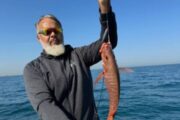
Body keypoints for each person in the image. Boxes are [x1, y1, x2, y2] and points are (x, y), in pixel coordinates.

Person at [23, 0, 117, 120]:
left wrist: (105, 8)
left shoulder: (80, 55)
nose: (53, 34)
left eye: (56, 30)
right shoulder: (32, 69)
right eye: (47, 32)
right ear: (38, 38)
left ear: (62, 33)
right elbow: (44, 105)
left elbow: (108, 42)